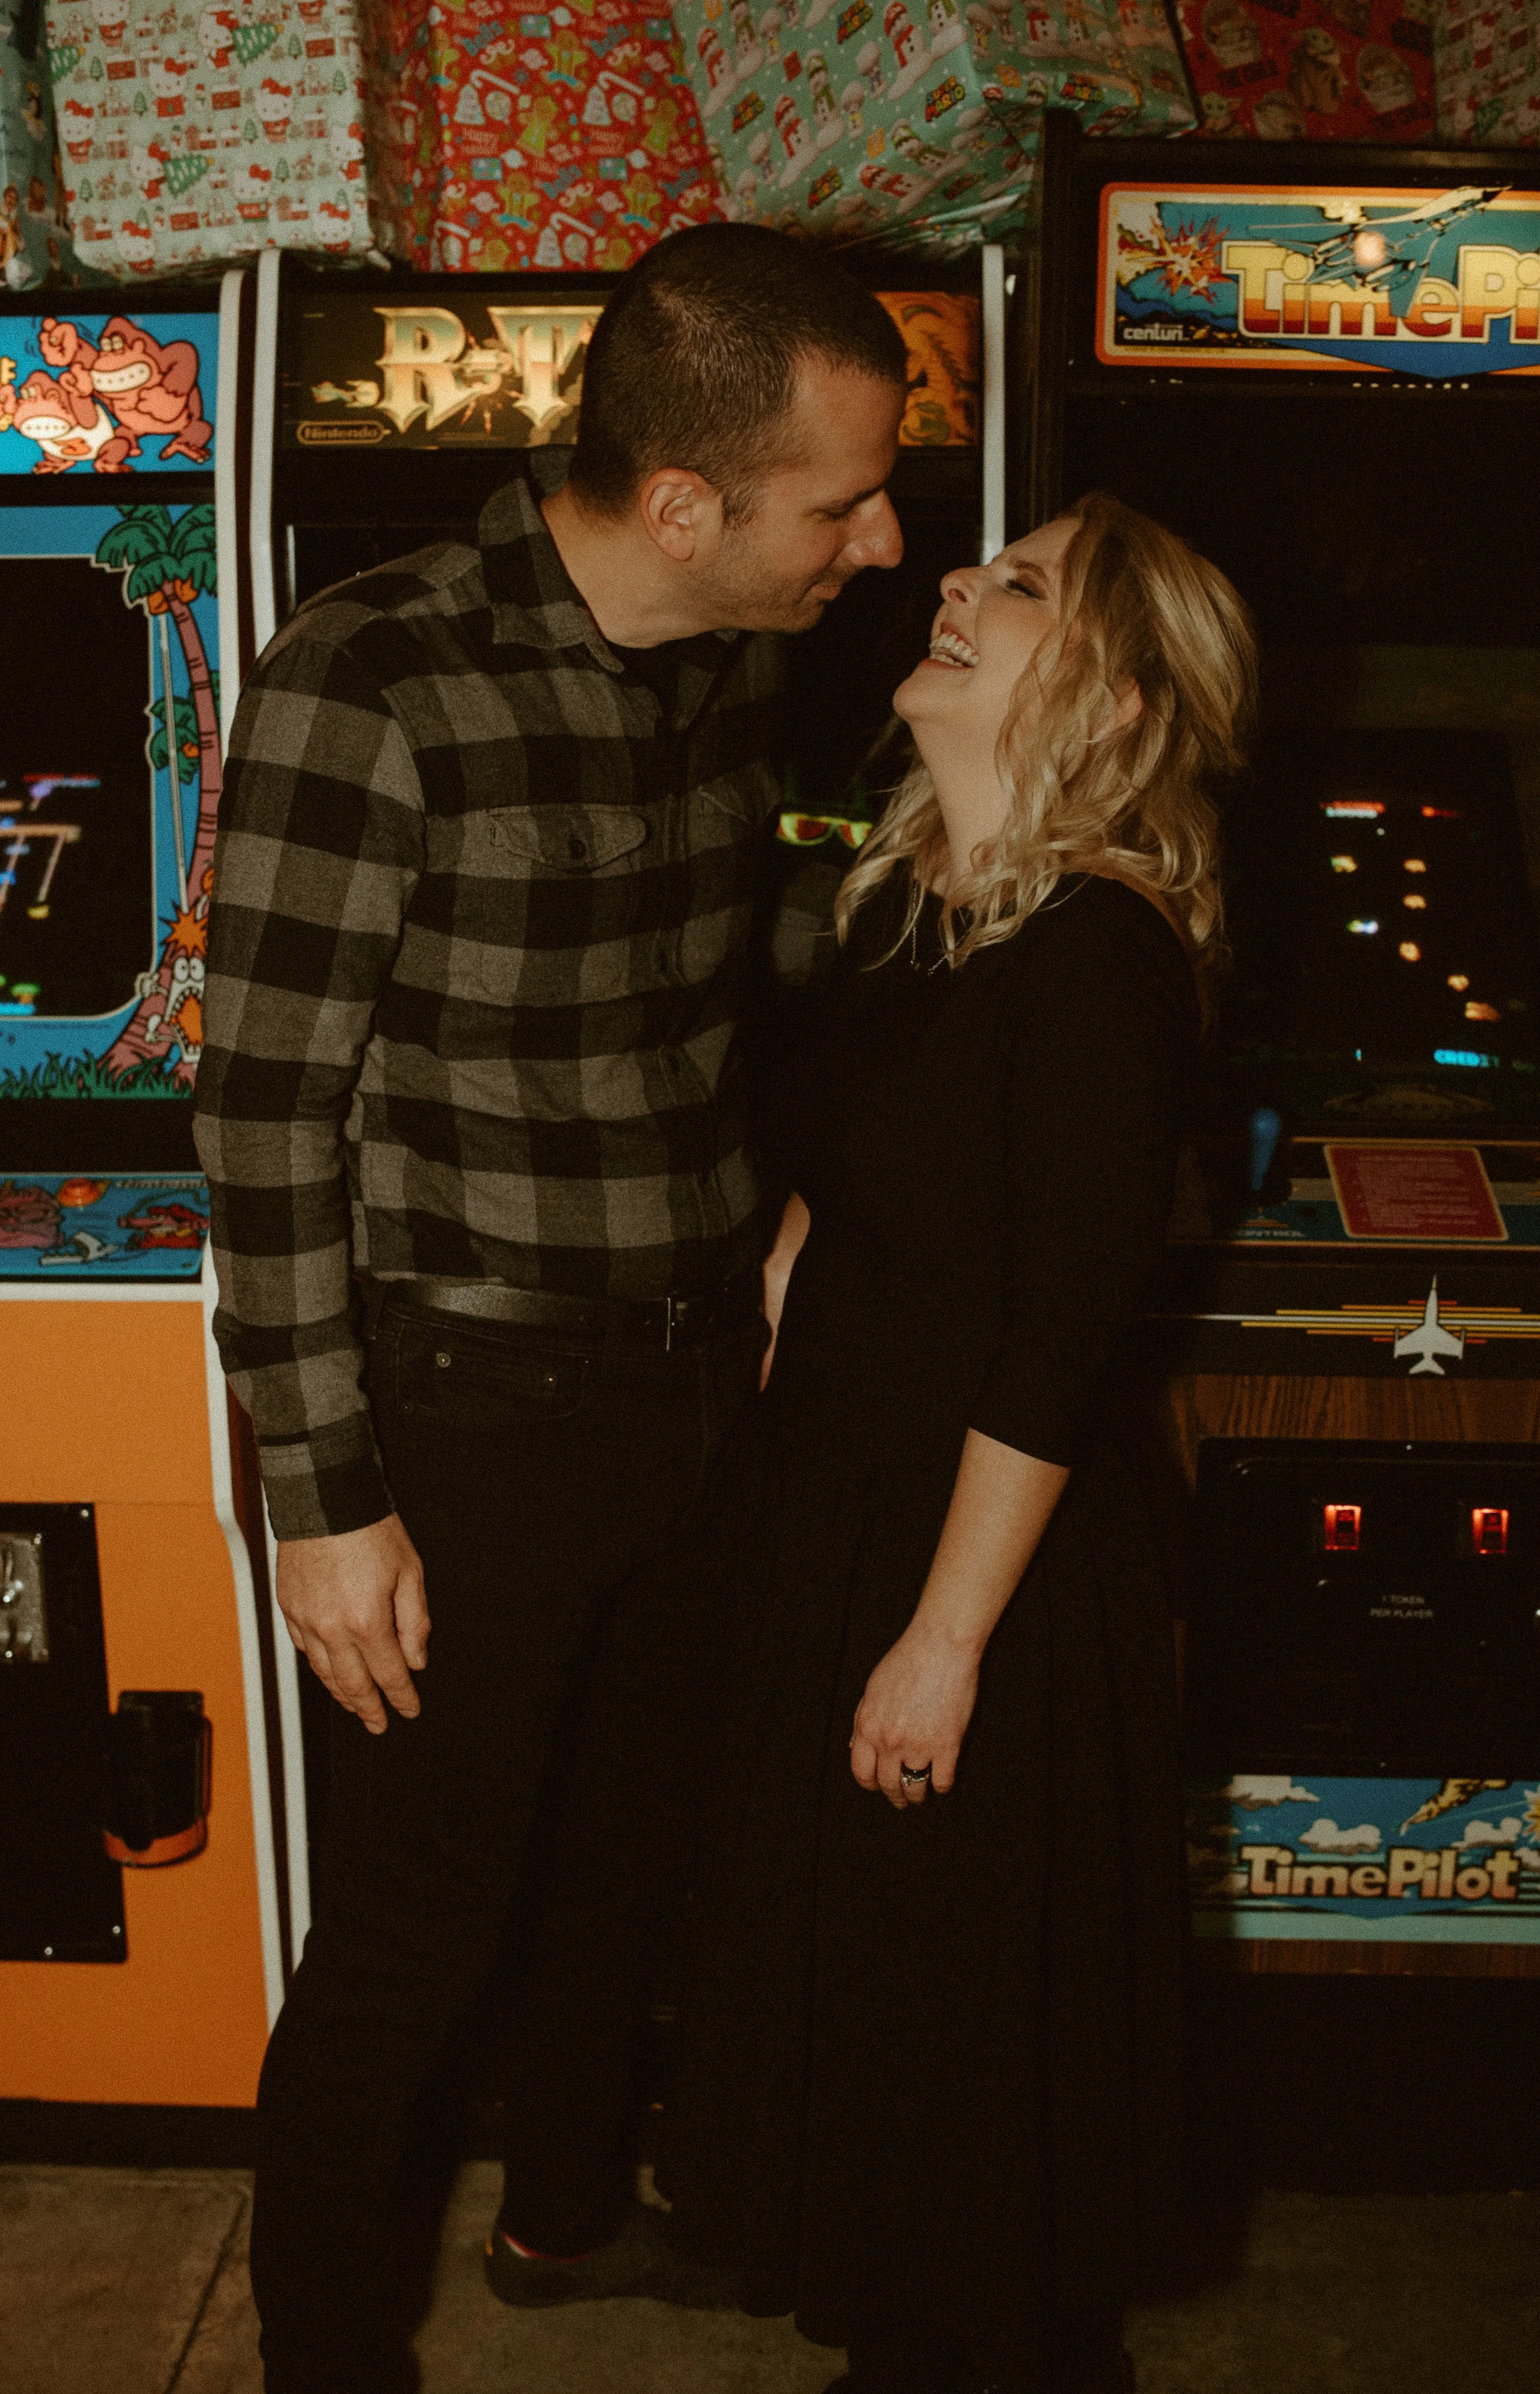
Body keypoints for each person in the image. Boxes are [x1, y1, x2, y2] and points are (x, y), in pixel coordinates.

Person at [191, 223, 906, 2394]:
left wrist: (779, 1200)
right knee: (419, 1930)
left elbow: (699, 981)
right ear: (681, 501)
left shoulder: (729, 648)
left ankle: (567, 2207)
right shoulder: (373, 673)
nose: (878, 543)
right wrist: (320, 1503)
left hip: (695, 1378)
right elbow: (261, 1119)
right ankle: (328, 2355)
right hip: (461, 1413)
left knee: (632, 1866)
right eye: (838, 501)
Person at [660, 494, 1258, 2394]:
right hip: (851, 1528)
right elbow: (857, 1202)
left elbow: (1061, 1336)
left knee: (964, 2114)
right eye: (974, 566)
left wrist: (942, 1642)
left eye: (1018, 587)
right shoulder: (923, 913)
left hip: (977, 1571)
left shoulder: (1099, 953)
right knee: (881, 2081)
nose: (952, 584)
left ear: (1116, 694)